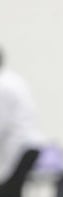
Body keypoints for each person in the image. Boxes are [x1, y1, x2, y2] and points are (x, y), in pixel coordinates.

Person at [0, 47, 41, 185]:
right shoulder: (12, 79)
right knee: (12, 192)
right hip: (28, 144)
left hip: (20, 147)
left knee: (8, 192)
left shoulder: (3, 85)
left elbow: (2, 123)